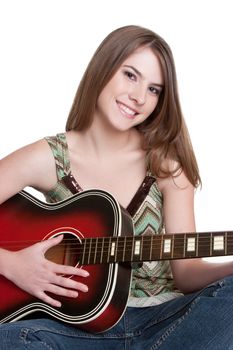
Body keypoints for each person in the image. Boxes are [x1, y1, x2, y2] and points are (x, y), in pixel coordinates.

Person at [0, 24, 233, 350]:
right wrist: (12, 265)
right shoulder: (50, 158)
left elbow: (186, 273)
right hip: (73, 331)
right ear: (103, 68)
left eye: (154, 90)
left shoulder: (165, 166)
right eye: (131, 75)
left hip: (163, 322)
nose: (139, 97)